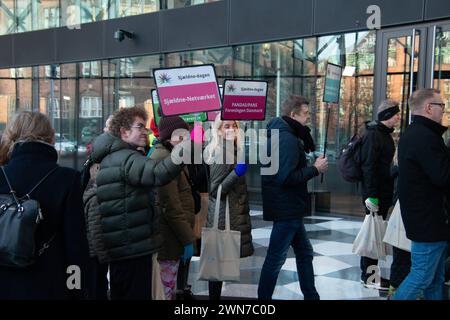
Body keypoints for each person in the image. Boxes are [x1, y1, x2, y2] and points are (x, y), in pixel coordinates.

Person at [90, 106, 186, 300]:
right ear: (124, 132)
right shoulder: (126, 157)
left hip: (124, 246)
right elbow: (159, 172)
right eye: (140, 127)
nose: (146, 132)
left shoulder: (115, 155)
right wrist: (187, 147)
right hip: (132, 247)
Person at [0, 111, 90, 299]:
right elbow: (75, 244)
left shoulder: (2, 174)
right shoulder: (67, 179)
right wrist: (77, 288)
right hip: (49, 283)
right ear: (50, 136)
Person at [258, 95, 327, 300]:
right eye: (305, 114)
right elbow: (285, 177)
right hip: (286, 207)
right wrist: (315, 169)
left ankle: (311, 296)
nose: (308, 118)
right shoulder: (286, 138)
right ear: (293, 114)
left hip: (289, 207)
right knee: (275, 259)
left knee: (305, 253)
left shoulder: (281, 133)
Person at [393, 89, 450, 300]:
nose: (443, 110)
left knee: (435, 279)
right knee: (422, 277)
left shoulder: (418, 133)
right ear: (428, 108)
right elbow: (442, 176)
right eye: (441, 106)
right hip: (428, 221)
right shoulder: (424, 137)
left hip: (428, 220)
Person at [203, 114, 254, 300]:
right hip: (223, 217)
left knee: (220, 266)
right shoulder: (221, 152)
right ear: (218, 130)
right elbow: (216, 191)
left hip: (230, 214)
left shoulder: (232, 149)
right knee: (216, 267)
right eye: (226, 126)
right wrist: (236, 173)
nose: (231, 129)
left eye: (234, 125)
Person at [149, 116, 195, 300]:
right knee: (165, 291)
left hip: (170, 237)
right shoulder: (164, 159)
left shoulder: (170, 156)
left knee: (167, 289)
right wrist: (187, 240)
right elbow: (171, 206)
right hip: (168, 239)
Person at [359, 99, 400, 290]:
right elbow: (369, 168)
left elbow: (382, 167)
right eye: (395, 114)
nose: (399, 117)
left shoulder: (384, 134)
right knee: (372, 237)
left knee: (375, 236)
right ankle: (369, 277)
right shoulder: (374, 135)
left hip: (382, 193)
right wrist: (371, 196)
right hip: (374, 196)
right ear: (386, 116)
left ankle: (370, 276)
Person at [83, 162, 110, 300]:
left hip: (91, 254)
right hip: (94, 255)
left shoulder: (88, 193)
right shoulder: (96, 199)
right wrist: (104, 256)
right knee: (98, 288)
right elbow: (96, 232)